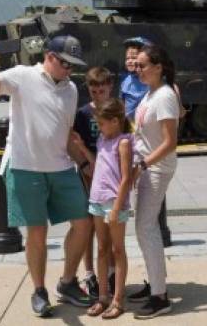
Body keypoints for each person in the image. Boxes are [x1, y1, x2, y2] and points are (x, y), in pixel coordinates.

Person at [0, 34, 94, 317]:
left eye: (73, 66)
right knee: (37, 233)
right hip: (26, 167)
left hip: (61, 167)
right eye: (65, 64)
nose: (69, 71)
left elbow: (64, 134)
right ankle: (39, 291)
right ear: (49, 57)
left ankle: (67, 282)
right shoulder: (22, 76)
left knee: (83, 223)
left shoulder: (71, 89)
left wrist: (85, 164)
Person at [126, 44, 179, 319]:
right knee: (144, 228)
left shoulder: (165, 96)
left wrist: (144, 164)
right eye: (137, 65)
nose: (138, 69)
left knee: (146, 228)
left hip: (156, 169)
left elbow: (171, 142)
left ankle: (160, 296)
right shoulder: (151, 93)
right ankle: (155, 284)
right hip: (145, 167)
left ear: (158, 67)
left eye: (143, 65)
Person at [86, 98, 133, 320]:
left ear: (115, 121)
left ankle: (118, 299)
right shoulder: (102, 140)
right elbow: (99, 165)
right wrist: (79, 148)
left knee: (117, 250)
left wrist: (115, 208)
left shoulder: (123, 142)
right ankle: (102, 296)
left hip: (114, 202)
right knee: (102, 248)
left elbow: (126, 178)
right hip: (97, 199)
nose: (100, 127)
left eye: (102, 123)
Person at [73, 66, 116, 298]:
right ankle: (89, 272)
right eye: (94, 90)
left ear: (109, 88)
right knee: (88, 225)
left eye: (102, 90)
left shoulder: (116, 111)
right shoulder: (82, 114)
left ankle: (110, 270)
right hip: (88, 174)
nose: (98, 95)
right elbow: (75, 142)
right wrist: (84, 166)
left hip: (109, 176)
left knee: (108, 225)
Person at [120, 37, 151, 123]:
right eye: (127, 58)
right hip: (129, 125)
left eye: (133, 58)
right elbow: (122, 103)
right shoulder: (125, 80)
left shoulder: (151, 81)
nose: (130, 61)